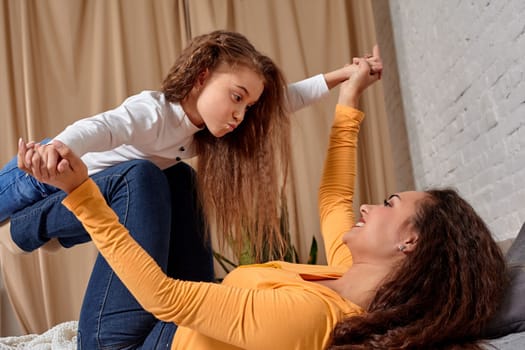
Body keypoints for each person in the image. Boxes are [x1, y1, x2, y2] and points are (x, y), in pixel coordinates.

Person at [19, 48, 508, 349]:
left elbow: (164, 299)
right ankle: (36, 223)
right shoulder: (346, 272)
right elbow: (335, 193)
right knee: (178, 183)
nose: (369, 206)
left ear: (411, 243)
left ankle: (30, 226)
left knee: (140, 180)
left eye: (389, 203)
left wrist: (80, 193)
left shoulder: (316, 317)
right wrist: (350, 92)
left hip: (132, 343)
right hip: (178, 324)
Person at [0, 29, 376, 258]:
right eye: (236, 97)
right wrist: (60, 147)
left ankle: (49, 228)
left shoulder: (202, 137)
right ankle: (37, 223)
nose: (240, 115)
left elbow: (286, 100)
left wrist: (345, 75)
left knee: (148, 190)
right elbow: (101, 127)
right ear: (201, 77)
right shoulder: (156, 112)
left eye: (248, 106)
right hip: (43, 169)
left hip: (80, 188)